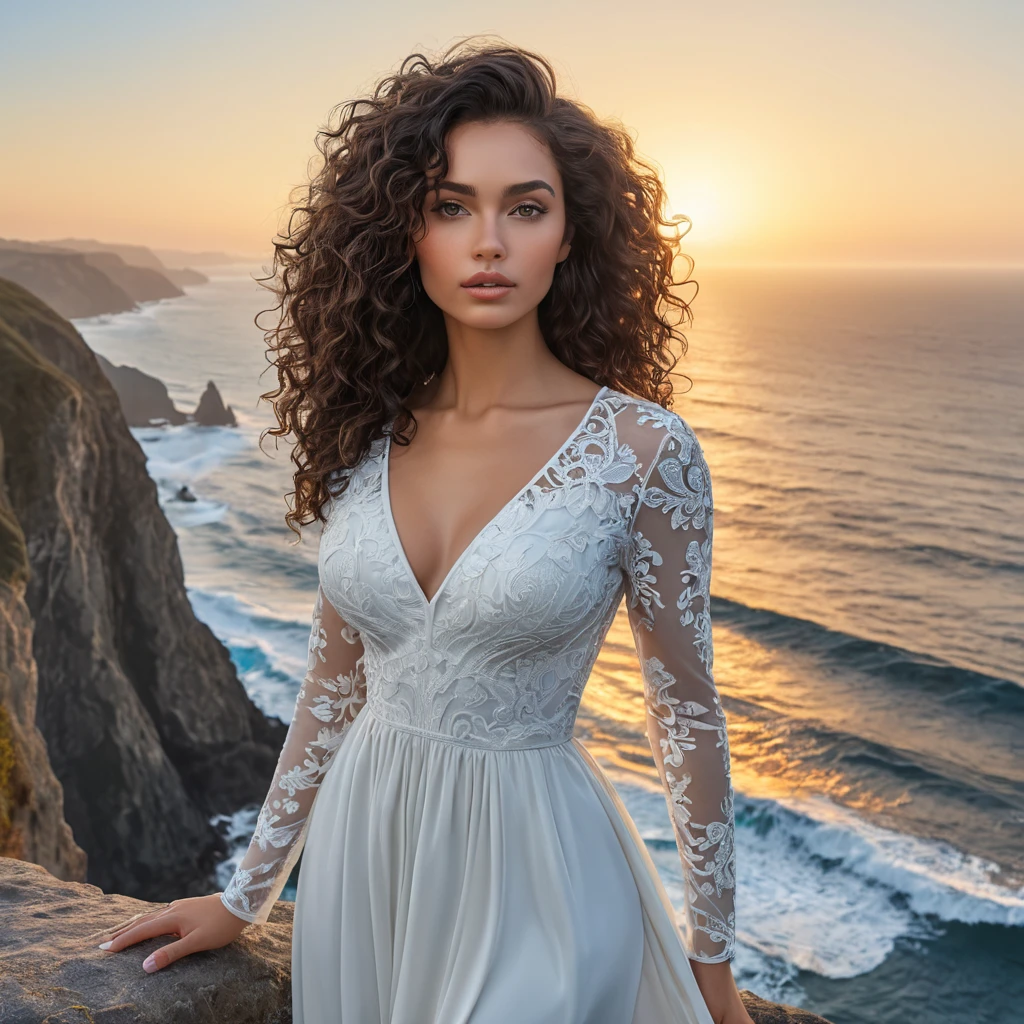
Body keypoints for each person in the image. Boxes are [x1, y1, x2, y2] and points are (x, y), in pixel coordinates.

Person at [95, 39, 752, 1024]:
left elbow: (686, 714)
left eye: (525, 208)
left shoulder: (642, 450)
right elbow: (329, 684)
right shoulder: (371, 433)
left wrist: (710, 969)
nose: (488, 241)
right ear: (407, 233)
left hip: (535, 868)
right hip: (367, 859)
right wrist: (246, 896)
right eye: (452, 207)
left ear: (569, 235)